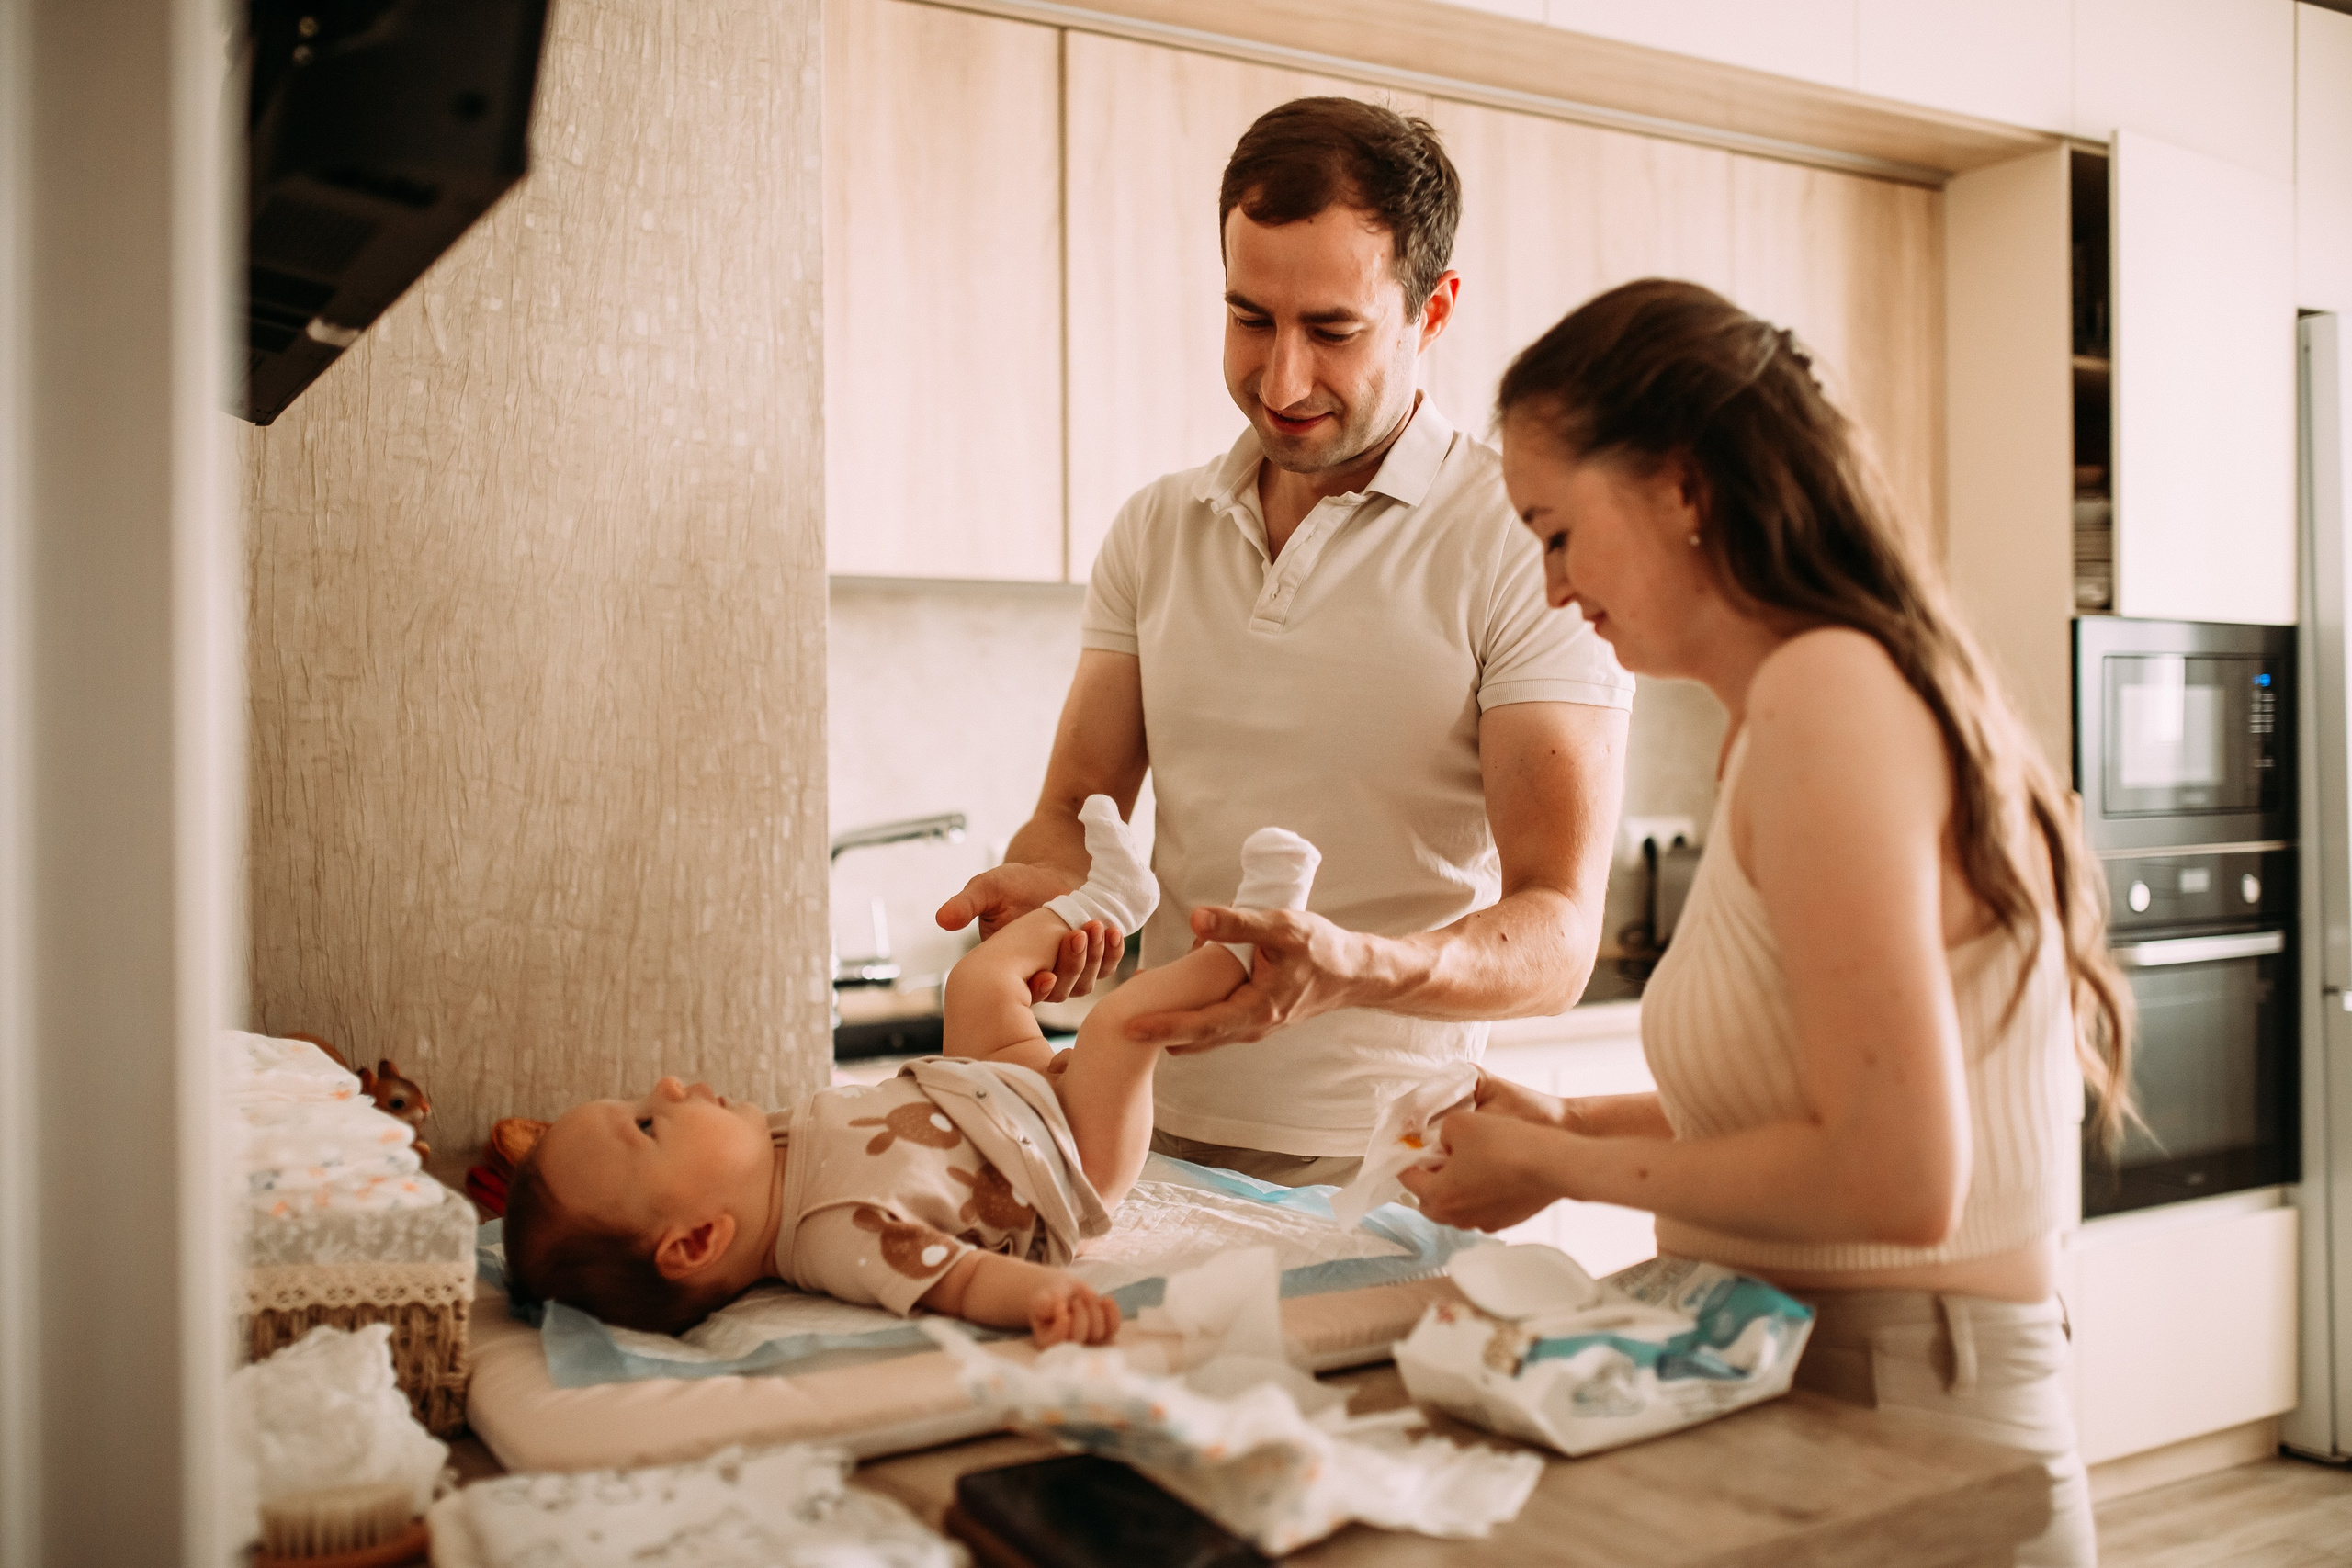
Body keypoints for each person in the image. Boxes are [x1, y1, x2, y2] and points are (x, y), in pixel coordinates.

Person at [1396, 278, 2130, 1567]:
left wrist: (1556, 1169)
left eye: (1559, 532)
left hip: (1908, 1405)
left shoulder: (1828, 699)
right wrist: (1571, 1122)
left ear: (1683, 487)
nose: (1554, 585)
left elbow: (1897, 1176)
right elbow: (1814, 1097)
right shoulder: (1797, 704)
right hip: (1834, 1374)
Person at [936, 96, 1632, 1187]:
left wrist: (1355, 969)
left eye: (1333, 331)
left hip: (1385, 1166)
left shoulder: (1519, 542)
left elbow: (1556, 935)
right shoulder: (1156, 527)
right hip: (1138, 1138)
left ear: (1432, 311)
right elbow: (1077, 809)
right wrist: (1045, 890)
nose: (1281, 379)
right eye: (1250, 317)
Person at [502, 801, 1318, 1345]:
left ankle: (1106, 897)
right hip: (1064, 1161)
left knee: (975, 983)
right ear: (699, 1239)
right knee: (1117, 1025)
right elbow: (955, 1280)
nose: (670, 1086)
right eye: (648, 1124)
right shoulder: (830, 1236)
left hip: (994, 1087)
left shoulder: (768, 1151)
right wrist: (1035, 1301)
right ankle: (1249, 942)